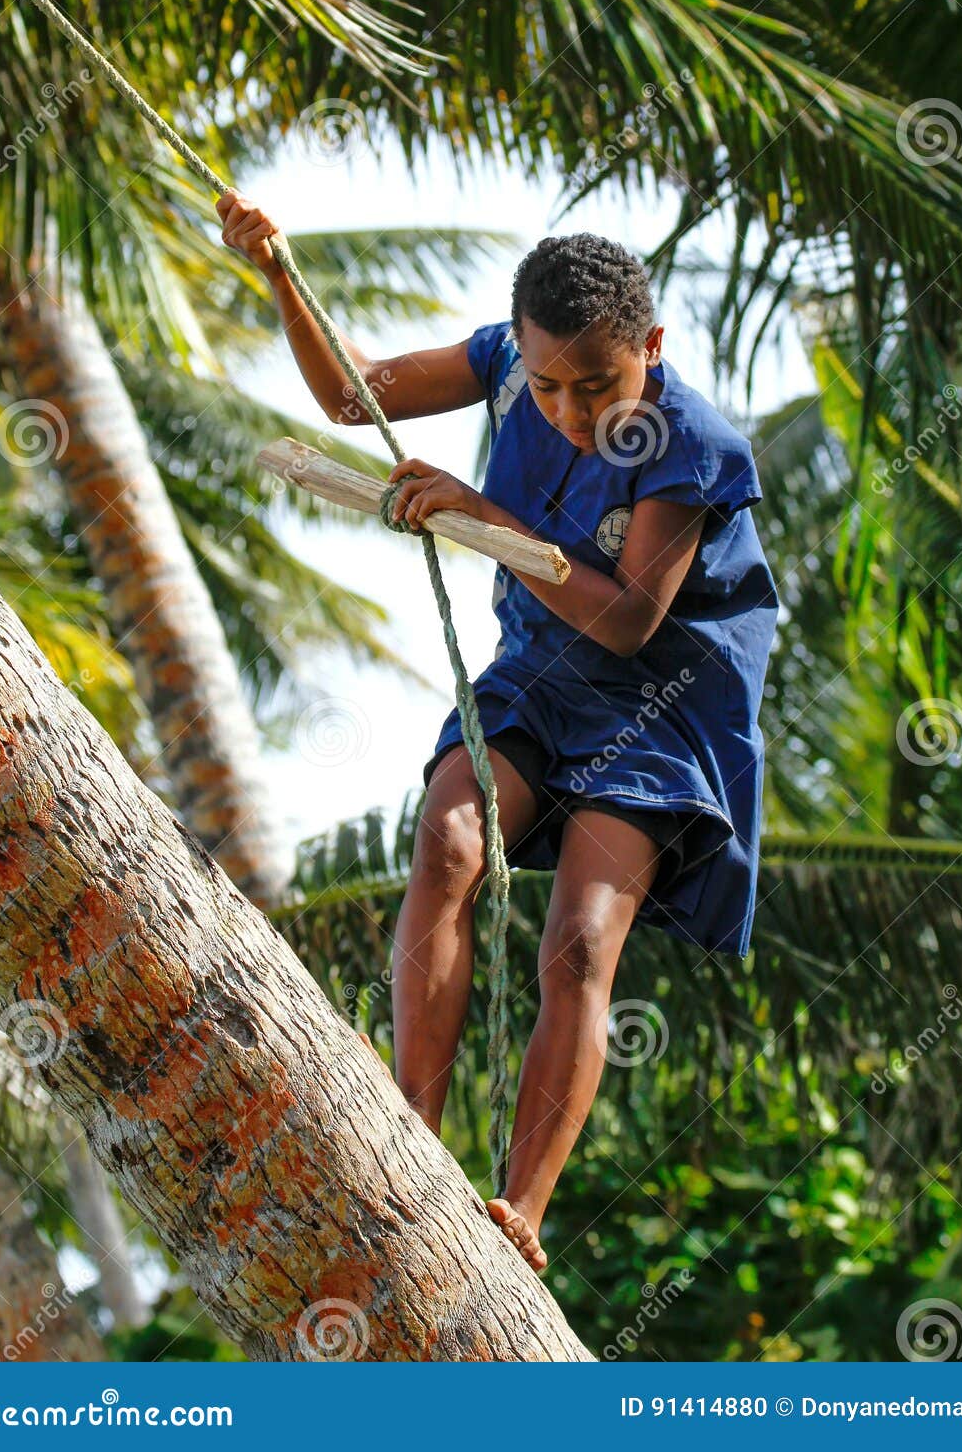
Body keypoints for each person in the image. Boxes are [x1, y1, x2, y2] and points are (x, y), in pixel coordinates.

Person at [216, 189, 780, 1274]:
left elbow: (624, 619)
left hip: (662, 701)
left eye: (597, 386)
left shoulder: (693, 444)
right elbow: (346, 395)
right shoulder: (504, 363)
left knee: (577, 943)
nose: (566, 409)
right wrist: (279, 269)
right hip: (537, 668)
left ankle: (520, 1208)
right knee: (447, 846)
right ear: (516, 350)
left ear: (650, 349)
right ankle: (408, 1145)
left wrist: (479, 516)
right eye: (546, 383)